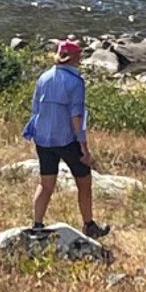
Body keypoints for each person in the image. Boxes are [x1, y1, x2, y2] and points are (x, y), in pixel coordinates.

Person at [23, 39, 110, 240]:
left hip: (44, 139)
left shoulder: (43, 78)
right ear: (75, 58)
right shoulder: (75, 81)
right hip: (67, 139)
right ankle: (89, 225)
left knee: (46, 183)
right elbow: (76, 115)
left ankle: (37, 224)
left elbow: (35, 109)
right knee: (84, 181)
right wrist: (84, 145)